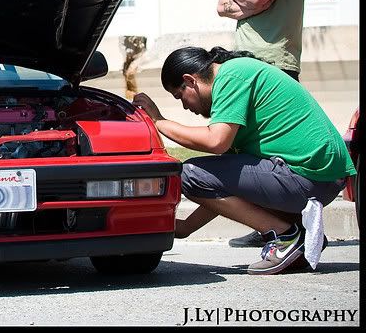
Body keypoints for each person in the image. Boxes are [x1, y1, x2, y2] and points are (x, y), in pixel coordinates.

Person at [132, 46, 355, 275]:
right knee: (206, 174)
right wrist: (186, 227)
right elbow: (221, 188)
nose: (185, 106)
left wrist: (159, 121)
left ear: (190, 81)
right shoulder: (237, 82)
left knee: (187, 173)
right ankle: (301, 239)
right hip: (319, 178)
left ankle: (285, 237)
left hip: (308, 176)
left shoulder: (231, 75)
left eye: (180, 96)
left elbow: (215, 141)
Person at [216, 0, 310, 248]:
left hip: (276, 61)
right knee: (249, 149)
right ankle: (268, 225)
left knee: (278, 151)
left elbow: (251, 2)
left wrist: (245, 0)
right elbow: (223, 5)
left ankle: (294, 228)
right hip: (243, 60)